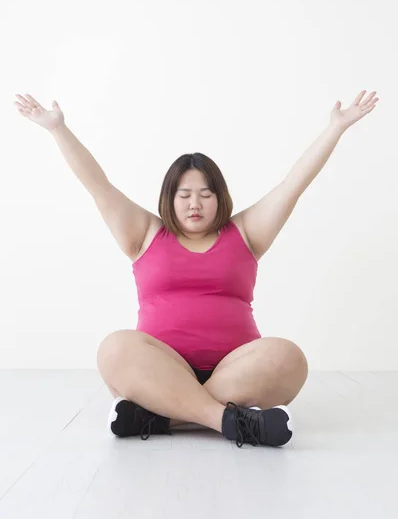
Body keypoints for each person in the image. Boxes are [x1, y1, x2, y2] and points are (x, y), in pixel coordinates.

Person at [14, 90, 378, 448]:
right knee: (114, 348)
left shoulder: (246, 233)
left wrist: (336, 129)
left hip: (238, 372)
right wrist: (58, 129)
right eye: (184, 194)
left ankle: (160, 415)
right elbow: (98, 186)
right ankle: (228, 421)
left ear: (220, 197)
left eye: (205, 194)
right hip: (156, 369)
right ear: (168, 198)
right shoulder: (144, 233)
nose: (195, 204)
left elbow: (292, 186)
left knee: (288, 357)